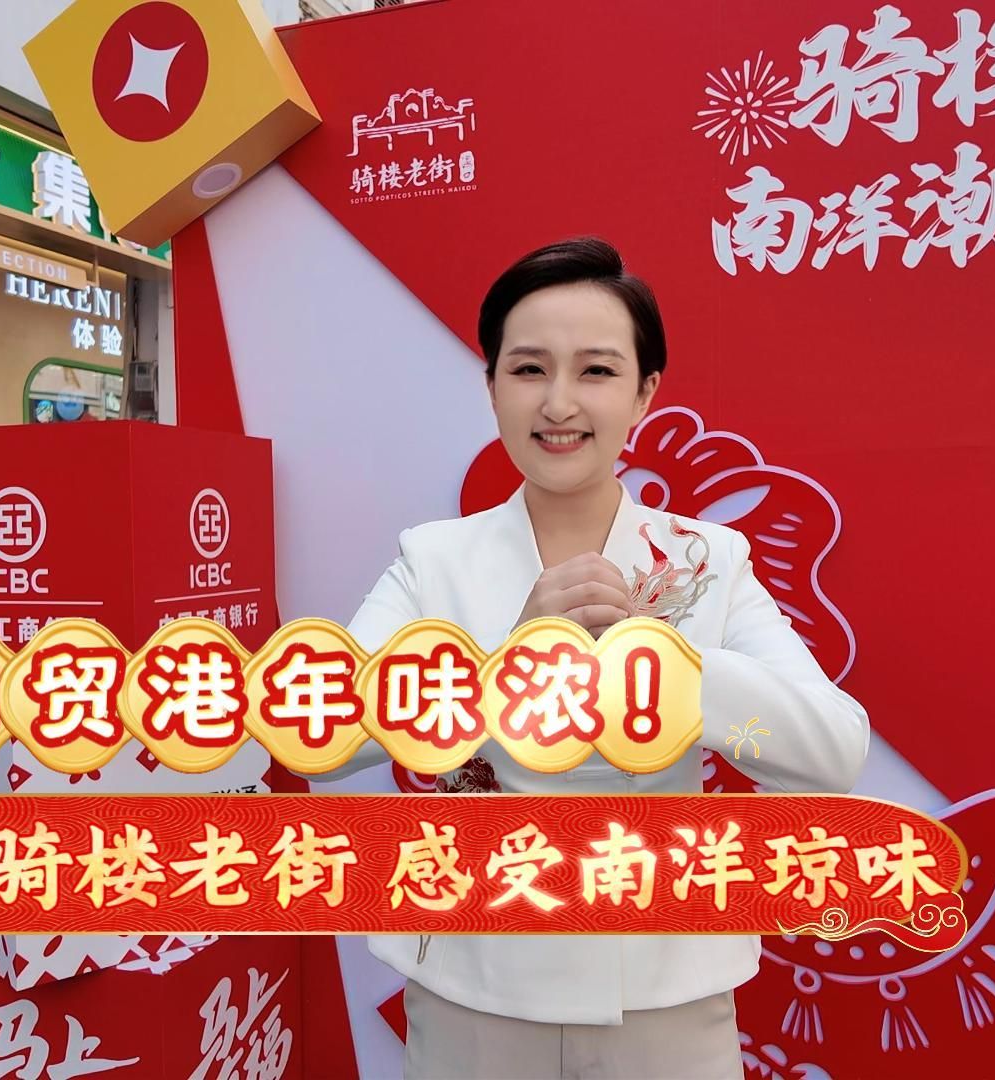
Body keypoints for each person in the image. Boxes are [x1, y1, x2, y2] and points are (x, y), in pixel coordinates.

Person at [333, 238, 870, 1079]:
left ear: (644, 391)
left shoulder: (709, 560)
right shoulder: (432, 560)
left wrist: (669, 673)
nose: (558, 403)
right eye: (527, 369)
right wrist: (505, 666)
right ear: (490, 385)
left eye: (595, 371)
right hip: (477, 985)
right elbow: (325, 737)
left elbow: (832, 750)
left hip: (665, 995)